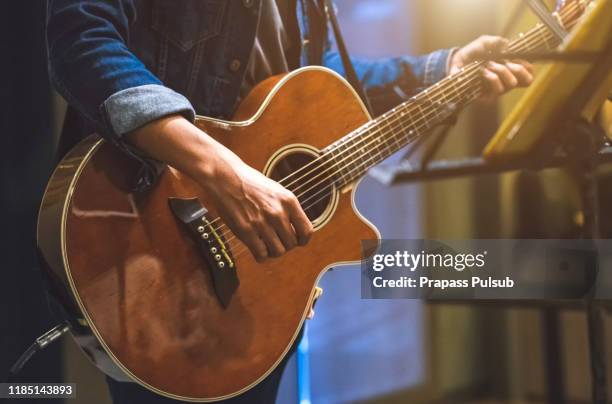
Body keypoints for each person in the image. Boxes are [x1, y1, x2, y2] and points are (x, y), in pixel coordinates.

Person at [46, 1, 534, 402]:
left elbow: (322, 75)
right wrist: (226, 174)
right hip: (153, 245)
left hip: (262, 279)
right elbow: (81, 40)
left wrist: (443, 68)